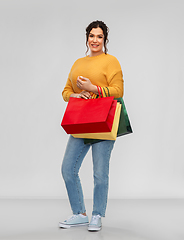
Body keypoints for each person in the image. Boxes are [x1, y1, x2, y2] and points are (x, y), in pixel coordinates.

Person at [59, 20, 124, 232]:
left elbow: (118, 91)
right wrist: (77, 93)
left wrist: (92, 87)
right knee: (68, 168)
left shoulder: (111, 61)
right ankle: (79, 213)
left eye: (99, 37)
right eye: (92, 36)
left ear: (105, 40)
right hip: (82, 120)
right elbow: (66, 91)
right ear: (87, 37)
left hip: (104, 121)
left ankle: (97, 215)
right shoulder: (78, 63)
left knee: (99, 172)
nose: (95, 40)